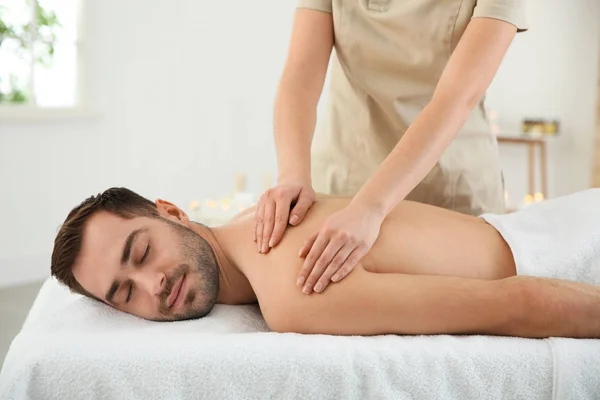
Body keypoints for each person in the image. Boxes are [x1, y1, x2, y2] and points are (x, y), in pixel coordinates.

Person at [51, 187, 600, 339]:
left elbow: (515, 302)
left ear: (171, 210)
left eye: (142, 252)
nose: (154, 284)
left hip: (570, 254)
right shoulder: (255, 218)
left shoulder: (292, 291)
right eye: (125, 294)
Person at [253, 0, 528, 296]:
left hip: (450, 196)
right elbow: (301, 76)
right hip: (344, 194)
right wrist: (293, 175)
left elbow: (457, 97)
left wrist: (371, 207)